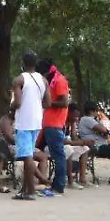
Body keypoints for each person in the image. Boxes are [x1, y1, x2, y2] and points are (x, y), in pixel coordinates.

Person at [10, 52, 51, 200]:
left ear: (22, 62)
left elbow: (18, 102)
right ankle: (26, 189)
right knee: (29, 154)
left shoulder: (19, 79)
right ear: (36, 62)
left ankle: (30, 191)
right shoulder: (43, 80)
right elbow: (48, 103)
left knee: (27, 156)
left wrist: (11, 106)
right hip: (37, 121)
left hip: (24, 122)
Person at [36, 59, 71, 195]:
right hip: (49, 124)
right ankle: (51, 183)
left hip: (54, 124)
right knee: (53, 154)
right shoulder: (53, 80)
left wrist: (47, 103)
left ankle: (58, 185)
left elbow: (64, 102)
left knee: (58, 156)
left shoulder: (60, 80)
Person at [63, 104, 97, 189]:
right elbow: (63, 142)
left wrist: (84, 143)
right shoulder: (61, 122)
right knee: (69, 149)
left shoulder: (71, 123)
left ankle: (83, 179)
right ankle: (70, 181)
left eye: (77, 117)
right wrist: (82, 142)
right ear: (68, 113)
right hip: (56, 146)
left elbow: (74, 138)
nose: (76, 118)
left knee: (85, 148)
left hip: (67, 145)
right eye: (74, 116)